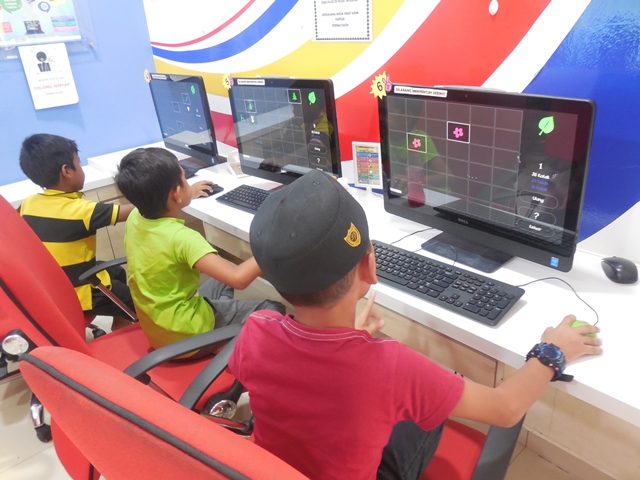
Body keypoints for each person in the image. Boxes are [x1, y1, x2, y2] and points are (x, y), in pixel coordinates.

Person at [228, 170, 602, 480]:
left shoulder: (256, 328)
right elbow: (505, 409)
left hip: (274, 469)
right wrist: (553, 351)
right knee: (431, 402)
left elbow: (304, 381)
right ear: (369, 267)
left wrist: (346, 340)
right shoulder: (391, 368)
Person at [114, 147, 285, 356]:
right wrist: (273, 243)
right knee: (272, 307)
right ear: (176, 194)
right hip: (189, 338)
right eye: (185, 180)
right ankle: (234, 351)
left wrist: (188, 194)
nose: (188, 184)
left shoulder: (135, 218)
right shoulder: (182, 238)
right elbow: (238, 279)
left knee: (222, 276)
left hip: (159, 330)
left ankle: (225, 324)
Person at [18, 133, 136, 330]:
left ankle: (120, 323)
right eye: (79, 164)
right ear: (66, 171)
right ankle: (137, 324)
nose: (82, 170)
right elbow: (135, 210)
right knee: (138, 303)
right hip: (81, 292)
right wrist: (180, 191)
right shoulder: (81, 212)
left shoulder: (28, 204)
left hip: (51, 287)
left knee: (115, 271)